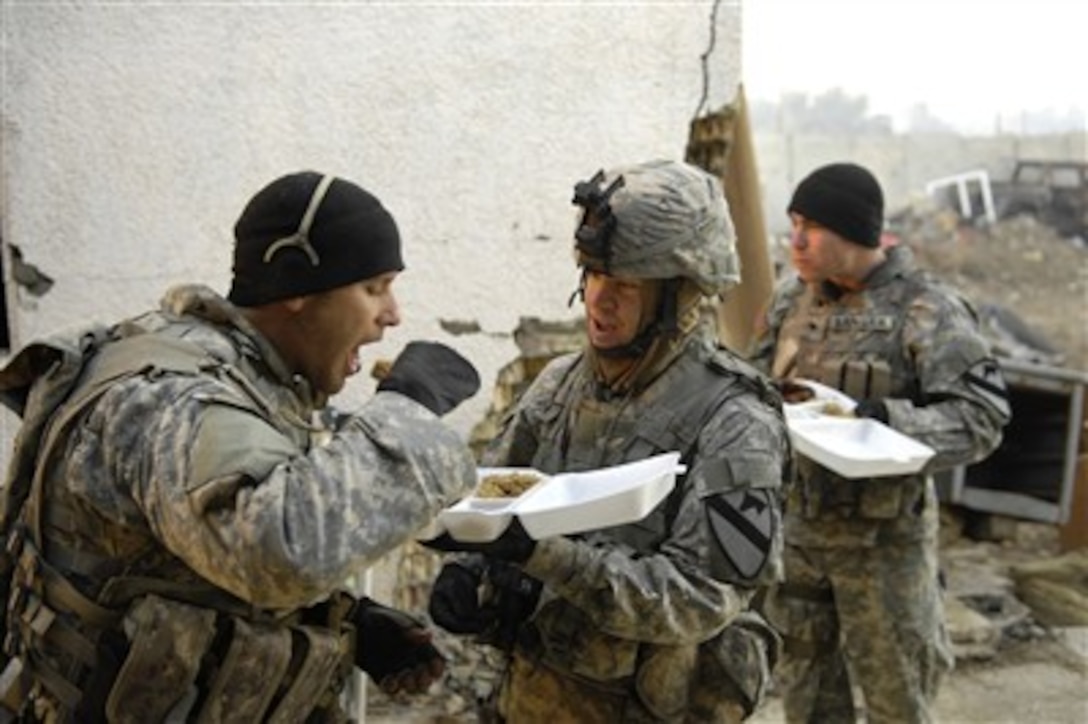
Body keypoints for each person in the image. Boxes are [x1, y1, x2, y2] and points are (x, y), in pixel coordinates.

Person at [0, 170, 482, 722]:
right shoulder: (170, 397)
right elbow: (276, 550)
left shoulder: (250, 379)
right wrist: (409, 409)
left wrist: (344, 623)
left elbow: (180, 562)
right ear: (297, 290)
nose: (392, 315)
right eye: (374, 288)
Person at [426, 159, 792, 722]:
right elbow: (489, 498)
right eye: (594, 276)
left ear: (684, 295)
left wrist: (543, 554)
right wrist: (466, 568)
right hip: (530, 695)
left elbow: (702, 599)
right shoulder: (557, 385)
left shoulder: (737, 421)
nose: (599, 299)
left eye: (625, 285)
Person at [747, 162, 1012, 723]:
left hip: (884, 551)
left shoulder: (927, 309)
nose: (794, 239)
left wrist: (879, 420)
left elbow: (981, 418)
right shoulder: (791, 302)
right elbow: (749, 391)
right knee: (809, 702)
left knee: (899, 704)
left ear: (855, 233)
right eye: (792, 222)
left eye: (811, 226)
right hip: (799, 542)